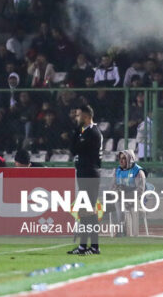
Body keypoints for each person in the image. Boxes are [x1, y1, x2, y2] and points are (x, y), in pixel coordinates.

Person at [67, 105, 103, 255]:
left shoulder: (92, 133)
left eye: (79, 115)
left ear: (87, 116)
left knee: (86, 211)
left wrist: (76, 132)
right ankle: (93, 246)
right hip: (85, 173)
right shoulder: (86, 131)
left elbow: (75, 149)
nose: (77, 118)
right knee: (89, 211)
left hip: (89, 173)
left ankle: (85, 247)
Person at [113, 150, 146, 236]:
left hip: (135, 198)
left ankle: (132, 234)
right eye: (120, 158)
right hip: (121, 198)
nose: (121, 161)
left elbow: (140, 190)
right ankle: (121, 231)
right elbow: (112, 186)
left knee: (129, 207)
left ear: (130, 159)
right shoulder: (117, 171)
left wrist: (128, 196)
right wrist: (117, 191)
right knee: (119, 206)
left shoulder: (138, 172)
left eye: (124, 158)